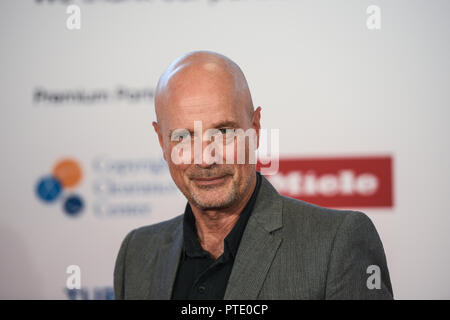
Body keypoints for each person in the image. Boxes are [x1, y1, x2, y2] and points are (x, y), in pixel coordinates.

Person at [113, 50, 393, 300]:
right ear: (162, 141)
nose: (206, 158)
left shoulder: (337, 244)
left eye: (223, 132)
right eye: (184, 137)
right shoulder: (136, 253)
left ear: (255, 128)